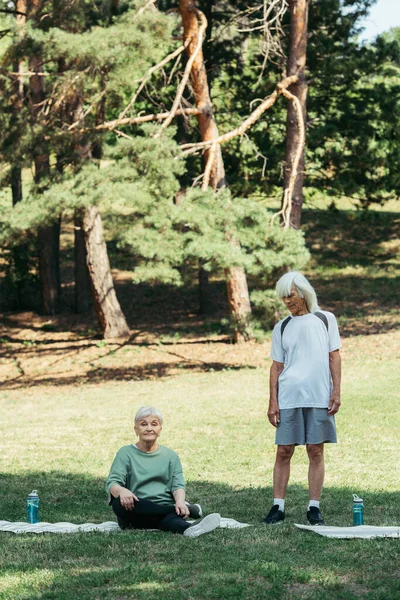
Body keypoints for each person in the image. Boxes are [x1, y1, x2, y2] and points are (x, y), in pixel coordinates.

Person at [263, 271, 342, 526]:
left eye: (291, 295)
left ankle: (314, 508)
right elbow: (276, 366)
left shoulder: (325, 319)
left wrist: (336, 391)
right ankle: (278, 506)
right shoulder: (282, 326)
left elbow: (334, 357)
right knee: (284, 451)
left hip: (319, 396)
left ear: (303, 292)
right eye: (283, 297)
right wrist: (272, 402)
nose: (287, 301)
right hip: (288, 397)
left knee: (315, 451)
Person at [106, 406, 221, 537]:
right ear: (136, 429)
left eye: (154, 424)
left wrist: (180, 502)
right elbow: (112, 483)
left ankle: (190, 528)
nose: (149, 428)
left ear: (160, 429)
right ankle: (179, 511)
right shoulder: (125, 453)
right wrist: (122, 491)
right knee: (117, 503)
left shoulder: (171, 456)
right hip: (135, 509)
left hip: (162, 508)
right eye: (143, 424)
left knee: (170, 521)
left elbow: (177, 485)